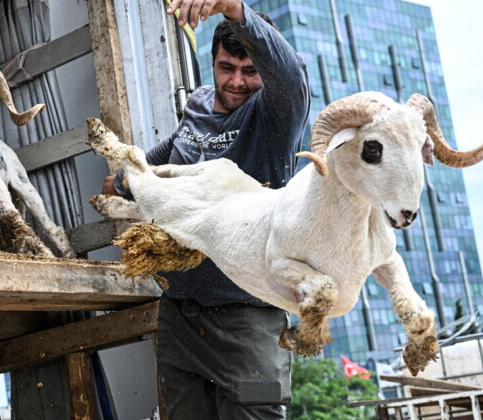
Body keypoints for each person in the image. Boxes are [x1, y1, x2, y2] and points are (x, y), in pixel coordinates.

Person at [101, 0, 310, 418]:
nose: (236, 81)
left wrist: (235, 9)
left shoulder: (273, 113)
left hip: (247, 319)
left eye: (249, 71)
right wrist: (126, 179)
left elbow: (293, 77)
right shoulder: (197, 105)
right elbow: (168, 158)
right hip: (180, 317)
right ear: (212, 62)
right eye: (225, 67)